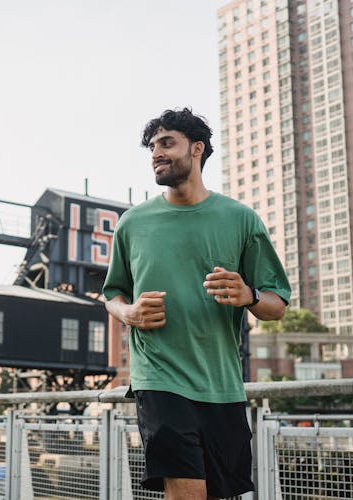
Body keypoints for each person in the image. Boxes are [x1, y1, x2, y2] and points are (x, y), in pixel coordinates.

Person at [103, 108, 290, 500]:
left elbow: (277, 305)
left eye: (167, 143)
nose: (156, 152)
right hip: (159, 378)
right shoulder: (132, 224)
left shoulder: (241, 219)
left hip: (221, 383)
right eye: (152, 146)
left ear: (197, 149)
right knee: (187, 491)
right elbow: (112, 295)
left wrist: (250, 295)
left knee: (220, 494)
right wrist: (130, 313)